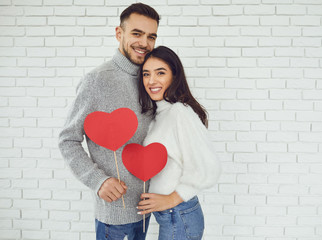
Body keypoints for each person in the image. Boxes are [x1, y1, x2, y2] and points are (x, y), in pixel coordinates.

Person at [58, 3, 160, 240]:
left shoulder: (151, 78)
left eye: (151, 36)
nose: (144, 43)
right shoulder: (97, 80)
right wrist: (98, 180)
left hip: (146, 211)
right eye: (137, 33)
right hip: (113, 217)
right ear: (119, 33)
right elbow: (68, 140)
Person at [136, 46, 221, 240]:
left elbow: (209, 167)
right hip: (172, 216)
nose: (151, 81)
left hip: (179, 215)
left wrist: (172, 199)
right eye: (146, 74)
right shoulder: (160, 114)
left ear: (174, 76)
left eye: (160, 73)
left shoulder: (179, 112)